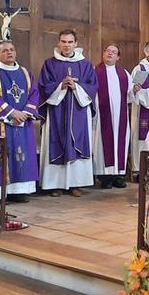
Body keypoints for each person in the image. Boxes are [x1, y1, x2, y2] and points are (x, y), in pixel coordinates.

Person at [39, 29, 98, 197]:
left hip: (79, 111)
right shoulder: (49, 64)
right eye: (63, 42)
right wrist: (61, 86)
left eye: (70, 42)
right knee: (56, 142)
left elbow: (93, 86)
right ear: (58, 43)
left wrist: (77, 87)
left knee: (77, 142)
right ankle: (55, 185)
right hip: (56, 110)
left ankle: (76, 184)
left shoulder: (85, 64)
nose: (66, 45)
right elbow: (43, 86)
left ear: (76, 44)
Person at [0, 40, 39, 203]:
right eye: (5, 51)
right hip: (1, 123)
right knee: (1, 156)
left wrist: (25, 113)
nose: (9, 53)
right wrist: (12, 112)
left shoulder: (26, 73)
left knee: (22, 156)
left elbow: (34, 93)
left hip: (22, 122)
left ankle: (19, 191)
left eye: (12, 49)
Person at [92, 44, 133, 189]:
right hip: (102, 115)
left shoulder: (124, 73)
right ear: (103, 54)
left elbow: (130, 96)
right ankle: (105, 177)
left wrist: (135, 90)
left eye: (113, 52)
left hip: (120, 115)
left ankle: (119, 176)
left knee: (120, 142)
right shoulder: (95, 71)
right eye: (108, 51)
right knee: (102, 144)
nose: (110, 54)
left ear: (118, 57)